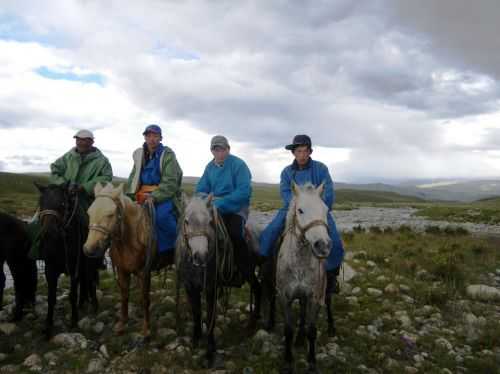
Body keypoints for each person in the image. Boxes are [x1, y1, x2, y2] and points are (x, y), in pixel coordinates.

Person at [259, 134, 344, 293]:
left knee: (336, 243)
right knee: (269, 233)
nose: (302, 155)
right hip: (293, 209)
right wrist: (298, 207)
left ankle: (331, 277)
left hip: (317, 211)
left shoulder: (321, 169)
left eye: (305, 151)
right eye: (299, 151)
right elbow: (285, 193)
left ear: (310, 152)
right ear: (294, 153)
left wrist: (318, 207)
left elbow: (329, 192)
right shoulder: (286, 172)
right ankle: (264, 269)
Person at [196, 135, 253, 282]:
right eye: (216, 150)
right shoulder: (209, 167)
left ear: (228, 149)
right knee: (200, 232)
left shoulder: (239, 165)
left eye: (222, 149)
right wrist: (206, 202)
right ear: (212, 151)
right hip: (213, 208)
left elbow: (243, 192)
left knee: (235, 234)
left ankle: (244, 270)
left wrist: (219, 203)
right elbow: (201, 189)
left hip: (236, 208)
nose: (220, 153)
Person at [127, 124, 183, 264]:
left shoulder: (167, 155)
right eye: (149, 136)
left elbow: (170, 181)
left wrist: (154, 196)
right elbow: (134, 177)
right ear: (145, 137)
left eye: (155, 136)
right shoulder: (140, 155)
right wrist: (129, 196)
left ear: (160, 138)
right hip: (142, 193)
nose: (151, 139)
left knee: (162, 217)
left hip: (162, 194)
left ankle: (172, 249)